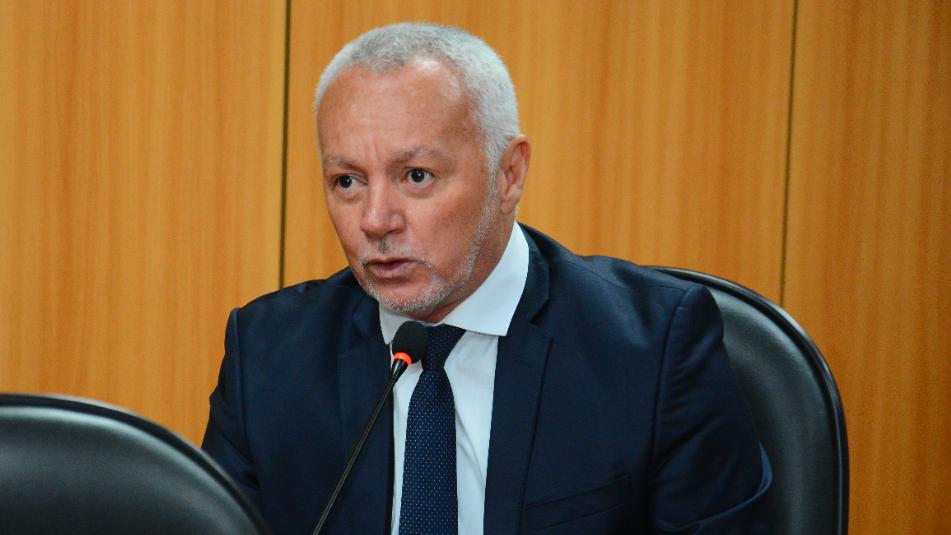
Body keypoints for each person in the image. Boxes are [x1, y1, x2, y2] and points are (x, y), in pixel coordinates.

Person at [203, 22, 771, 535]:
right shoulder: (268, 358)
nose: (375, 221)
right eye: (347, 181)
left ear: (509, 174)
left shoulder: (652, 351)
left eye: (416, 175)